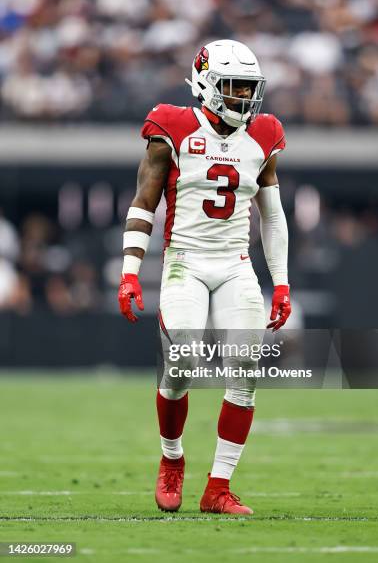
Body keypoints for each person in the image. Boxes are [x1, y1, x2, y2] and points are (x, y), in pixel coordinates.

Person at [118, 40, 291, 515]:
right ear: (205, 84)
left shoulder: (264, 134)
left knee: (246, 372)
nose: (243, 98)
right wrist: (130, 273)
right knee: (182, 365)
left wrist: (281, 280)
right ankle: (172, 458)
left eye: (248, 89)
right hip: (185, 261)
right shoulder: (171, 127)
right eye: (233, 86)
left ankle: (218, 487)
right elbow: (144, 203)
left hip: (235, 263)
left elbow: (272, 216)